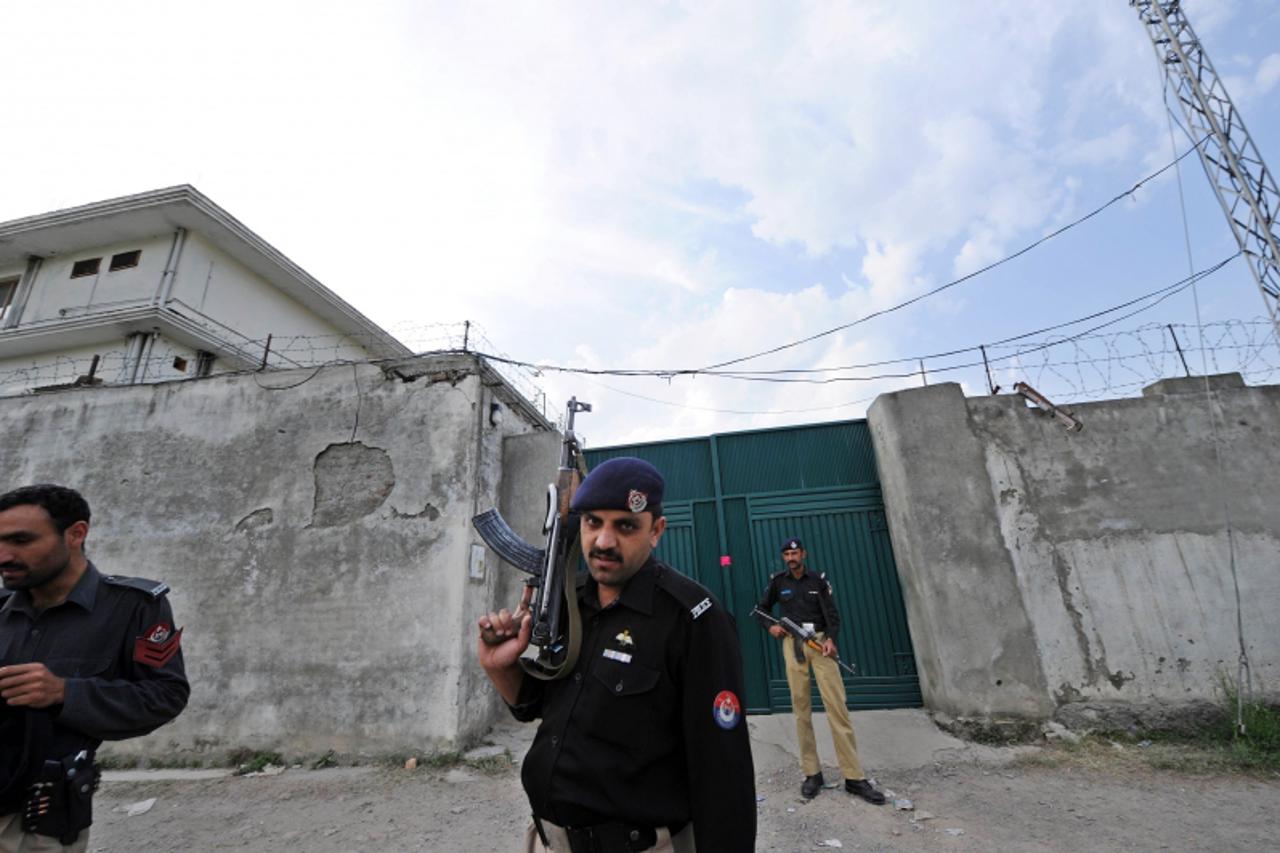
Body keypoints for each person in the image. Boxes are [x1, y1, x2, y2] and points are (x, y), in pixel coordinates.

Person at [478, 457, 756, 852]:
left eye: (625, 525)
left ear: (656, 531)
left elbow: (722, 771)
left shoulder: (693, 619)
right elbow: (537, 707)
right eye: (593, 522)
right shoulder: (573, 603)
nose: (604, 541)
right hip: (548, 841)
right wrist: (501, 668)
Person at [0, 485, 190, 851]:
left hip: (38, 823)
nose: (4, 555)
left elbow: (165, 695)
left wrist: (65, 693)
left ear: (76, 534)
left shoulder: (133, 607)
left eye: (21, 540)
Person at [757, 537, 885, 805]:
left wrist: (831, 640)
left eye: (795, 552)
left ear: (804, 554)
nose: (791, 557)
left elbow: (833, 615)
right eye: (787, 554)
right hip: (794, 646)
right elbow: (761, 609)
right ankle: (812, 774)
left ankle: (853, 777)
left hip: (820, 643)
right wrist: (772, 627)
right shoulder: (778, 582)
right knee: (801, 709)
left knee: (837, 708)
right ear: (784, 558)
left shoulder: (818, 581)